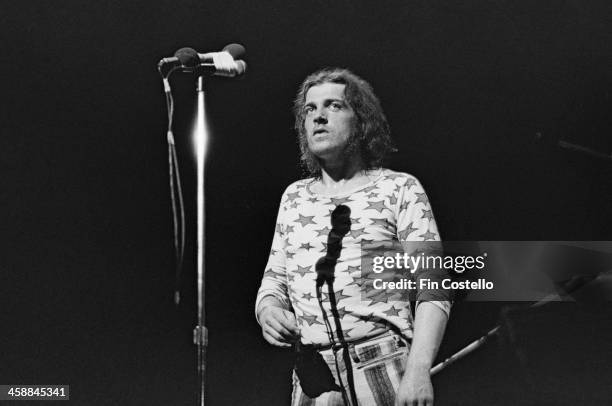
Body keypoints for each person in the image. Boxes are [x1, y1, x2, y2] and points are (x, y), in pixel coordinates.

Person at [256, 68, 450, 406]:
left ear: (360, 121)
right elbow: (273, 282)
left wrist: (418, 370)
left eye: (333, 106)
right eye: (309, 109)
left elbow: (434, 284)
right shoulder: (294, 198)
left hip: (382, 364)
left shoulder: (397, 188)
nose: (318, 117)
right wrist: (268, 312)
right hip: (314, 377)